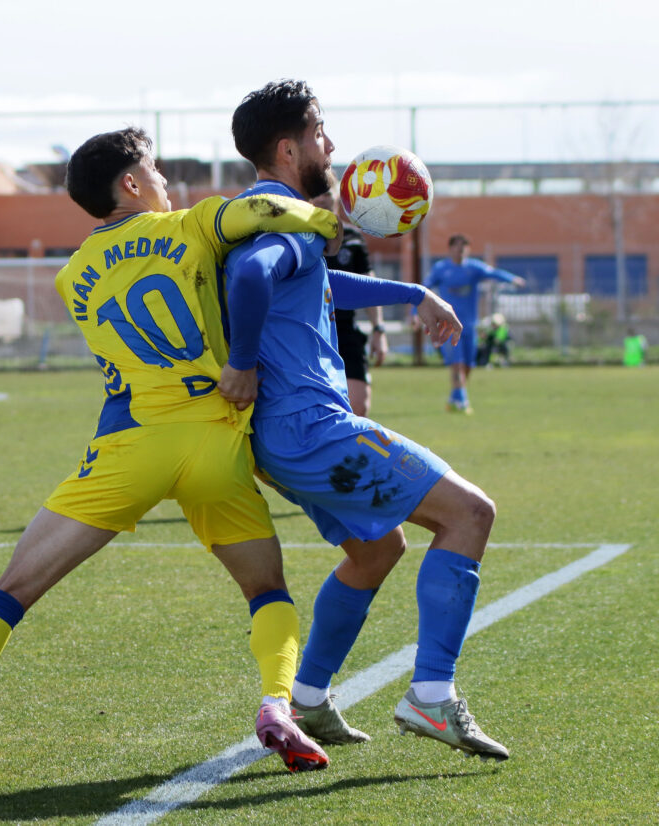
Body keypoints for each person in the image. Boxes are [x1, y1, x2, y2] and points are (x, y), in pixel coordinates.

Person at [0, 127, 344, 778]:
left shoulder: (73, 277)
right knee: (266, 591)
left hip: (131, 446)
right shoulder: (192, 226)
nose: (167, 182)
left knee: (11, 592)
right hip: (215, 437)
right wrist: (328, 219)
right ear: (131, 184)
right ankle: (277, 705)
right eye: (157, 171)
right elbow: (263, 208)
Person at [218, 79, 509, 761]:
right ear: (289, 148)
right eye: (321, 131)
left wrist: (413, 291)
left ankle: (310, 698)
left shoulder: (267, 215)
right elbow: (253, 277)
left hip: (282, 439)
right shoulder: (279, 218)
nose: (332, 144)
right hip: (313, 430)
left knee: (378, 550)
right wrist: (242, 362)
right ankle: (431, 695)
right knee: (470, 515)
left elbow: (313, 281)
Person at [423, 234, 525, 413]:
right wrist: (416, 312)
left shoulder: (473, 268)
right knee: (457, 362)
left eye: (464, 246)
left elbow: (493, 273)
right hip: (448, 324)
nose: (460, 249)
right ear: (450, 248)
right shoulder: (441, 268)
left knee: (469, 364)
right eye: (456, 246)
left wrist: (512, 279)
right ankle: (462, 402)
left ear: (468, 249)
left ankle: (455, 397)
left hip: (469, 325)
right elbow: (424, 288)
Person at [312, 184, 389, 417]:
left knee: (359, 408)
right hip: (312, 331)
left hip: (346, 330)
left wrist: (378, 329)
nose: (322, 198)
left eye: (327, 192)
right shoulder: (298, 236)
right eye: (318, 192)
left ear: (337, 196)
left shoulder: (353, 237)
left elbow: (368, 285)